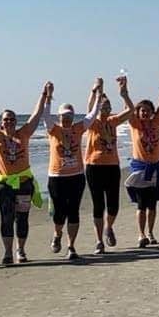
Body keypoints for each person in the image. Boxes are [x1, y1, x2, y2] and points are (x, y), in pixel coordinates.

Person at [0, 82, 49, 264]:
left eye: (12, 119)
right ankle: (7, 252)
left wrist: (44, 95)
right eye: (6, 119)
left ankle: (21, 250)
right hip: (4, 184)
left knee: (22, 218)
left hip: (24, 183)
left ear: (16, 121)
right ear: (1, 123)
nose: (9, 122)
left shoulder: (24, 133)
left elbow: (36, 115)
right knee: (7, 217)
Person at [44, 84, 101, 261]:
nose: (67, 119)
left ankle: (71, 246)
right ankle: (57, 234)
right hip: (56, 177)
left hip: (76, 177)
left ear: (73, 116)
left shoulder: (78, 128)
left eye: (69, 116)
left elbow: (93, 114)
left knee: (73, 211)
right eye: (64, 116)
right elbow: (45, 114)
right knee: (59, 213)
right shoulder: (53, 129)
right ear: (59, 117)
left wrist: (98, 93)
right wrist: (48, 96)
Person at [125, 72, 159, 247]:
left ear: (152, 112)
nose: (145, 113)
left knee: (152, 205)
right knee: (141, 204)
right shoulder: (135, 124)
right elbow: (128, 107)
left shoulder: (156, 123)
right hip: (140, 169)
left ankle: (150, 232)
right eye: (142, 110)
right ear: (138, 112)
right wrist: (124, 92)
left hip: (155, 168)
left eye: (148, 110)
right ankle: (141, 235)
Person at [84, 75, 133, 254]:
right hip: (94, 167)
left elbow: (131, 111)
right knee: (98, 205)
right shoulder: (92, 122)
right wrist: (96, 89)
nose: (105, 108)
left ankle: (108, 227)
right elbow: (90, 106)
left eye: (108, 106)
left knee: (113, 205)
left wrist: (124, 92)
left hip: (112, 167)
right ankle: (99, 241)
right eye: (102, 106)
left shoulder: (112, 121)